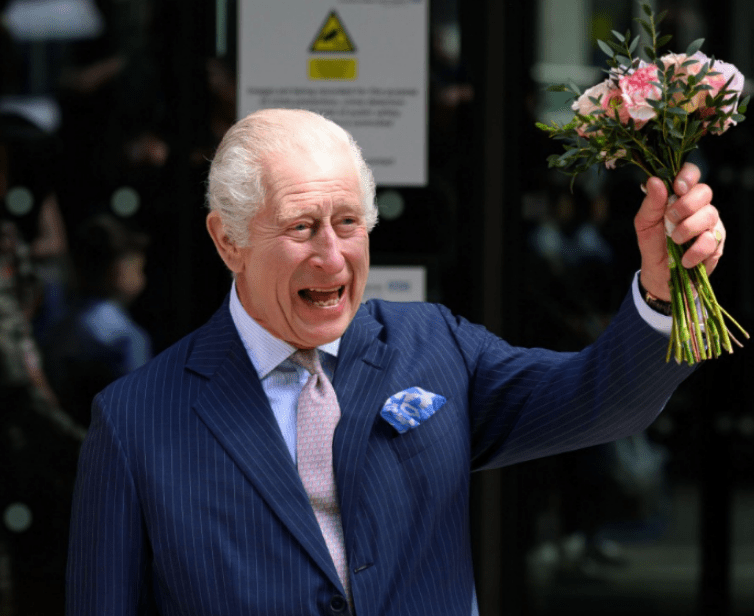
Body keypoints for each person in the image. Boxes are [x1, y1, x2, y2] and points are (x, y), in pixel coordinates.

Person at [66, 108, 725, 615]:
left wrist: (666, 294)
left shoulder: (434, 345)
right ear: (229, 240)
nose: (332, 256)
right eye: (301, 227)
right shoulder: (135, 422)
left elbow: (603, 398)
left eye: (348, 223)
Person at [44, 214, 151, 428]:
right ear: (118, 269)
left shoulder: (58, 327)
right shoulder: (125, 337)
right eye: (139, 268)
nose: (142, 277)